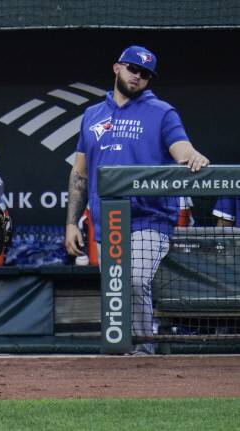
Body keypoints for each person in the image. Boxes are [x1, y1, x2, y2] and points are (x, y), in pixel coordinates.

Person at [64, 45, 209, 355]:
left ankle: (144, 350)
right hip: (107, 219)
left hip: (150, 217)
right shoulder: (93, 114)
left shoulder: (161, 111)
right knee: (116, 290)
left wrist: (192, 156)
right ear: (117, 68)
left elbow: (181, 148)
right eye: (133, 69)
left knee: (132, 280)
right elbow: (80, 174)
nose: (138, 76)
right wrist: (71, 223)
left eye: (145, 74)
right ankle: (123, 358)